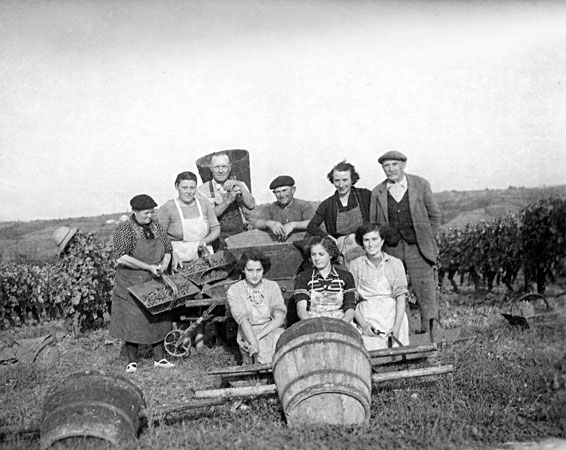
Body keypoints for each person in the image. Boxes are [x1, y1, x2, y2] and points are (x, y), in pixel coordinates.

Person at [369, 151, 441, 334]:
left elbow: (434, 215)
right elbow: (373, 223)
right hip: (391, 249)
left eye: (394, 164)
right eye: (386, 166)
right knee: (398, 292)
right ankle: (404, 334)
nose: (390, 169)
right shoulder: (377, 192)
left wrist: (427, 239)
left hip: (418, 248)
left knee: (425, 290)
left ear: (403, 165)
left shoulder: (420, 184)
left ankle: (431, 333)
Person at [109, 194, 176, 373]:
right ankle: (132, 361)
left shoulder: (156, 226)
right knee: (133, 318)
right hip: (131, 280)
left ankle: (160, 358)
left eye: (152, 212)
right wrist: (148, 267)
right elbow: (122, 257)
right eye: (146, 213)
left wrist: (164, 265)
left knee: (159, 316)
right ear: (135, 212)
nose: (150, 216)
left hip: (154, 277)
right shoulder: (125, 229)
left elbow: (168, 248)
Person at [350, 223, 409, 350]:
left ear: (382, 241)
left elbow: (400, 298)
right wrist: (363, 324)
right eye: (366, 240)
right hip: (367, 313)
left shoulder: (395, 263)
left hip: (391, 313)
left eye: (374, 239)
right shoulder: (356, 265)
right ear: (362, 242)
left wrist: (396, 327)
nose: (370, 244)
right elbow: (350, 299)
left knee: (397, 352)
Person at [306, 161, 372, 266]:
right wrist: (327, 236)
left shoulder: (365, 196)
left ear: (352, 180)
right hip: (340, 248)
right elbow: (311, 226)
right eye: (337, 180)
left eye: (345, 180)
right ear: (332, 181)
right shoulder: (328, 204)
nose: (341, 185)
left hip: (363, 244)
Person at [226, 249, 287, 364]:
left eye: (258, 270)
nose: (254, 275)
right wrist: (253, 341)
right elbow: (243, 320)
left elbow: (279, 317)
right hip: (248, 331)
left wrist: (258, 336)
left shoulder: (272, 286)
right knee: (258, 354)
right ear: (243, 270)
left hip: (270, 328)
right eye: (250, 270)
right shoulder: (235, 290)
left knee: (281, 341)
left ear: (264, 269)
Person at [156, 171, 220, 270]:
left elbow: (216, 229)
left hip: (203, 257)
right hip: (178, 260)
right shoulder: (168, 208)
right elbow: (159, 237)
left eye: (192, 188)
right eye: (184, 188)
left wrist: (205, 240)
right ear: (177, 187)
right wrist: (171, 254)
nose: (188, 192)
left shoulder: (204, 204)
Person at [197, 152, 255, 248]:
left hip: (240, 236)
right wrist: (228, 201)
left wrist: (240, 185)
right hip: (218, 240)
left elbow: (251, 205)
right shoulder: (203, 190)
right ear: (211, 168)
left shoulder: (239, 184)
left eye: (224, 166)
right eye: (217, 167)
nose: (220, 171)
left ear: (230, 168)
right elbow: (209, 215)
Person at [293, 235, 356, 322]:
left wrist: (342, 324)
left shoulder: (345, 277)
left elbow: (350, 308)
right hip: (313, 322)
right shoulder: (303, 277)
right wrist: (313, 324)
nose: (317, 258)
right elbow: (301, 309)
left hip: (341, 322)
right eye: (313, 254)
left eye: (321, 254)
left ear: (330, 255)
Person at [250, 175, 314, 242]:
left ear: (293, 190)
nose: (281, 195)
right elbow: (256, 223)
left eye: (284, 190)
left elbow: (313, 223)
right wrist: (269, 223)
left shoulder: (304, 205)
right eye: (277, 192)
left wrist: (293, 225)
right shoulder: (270, 208)